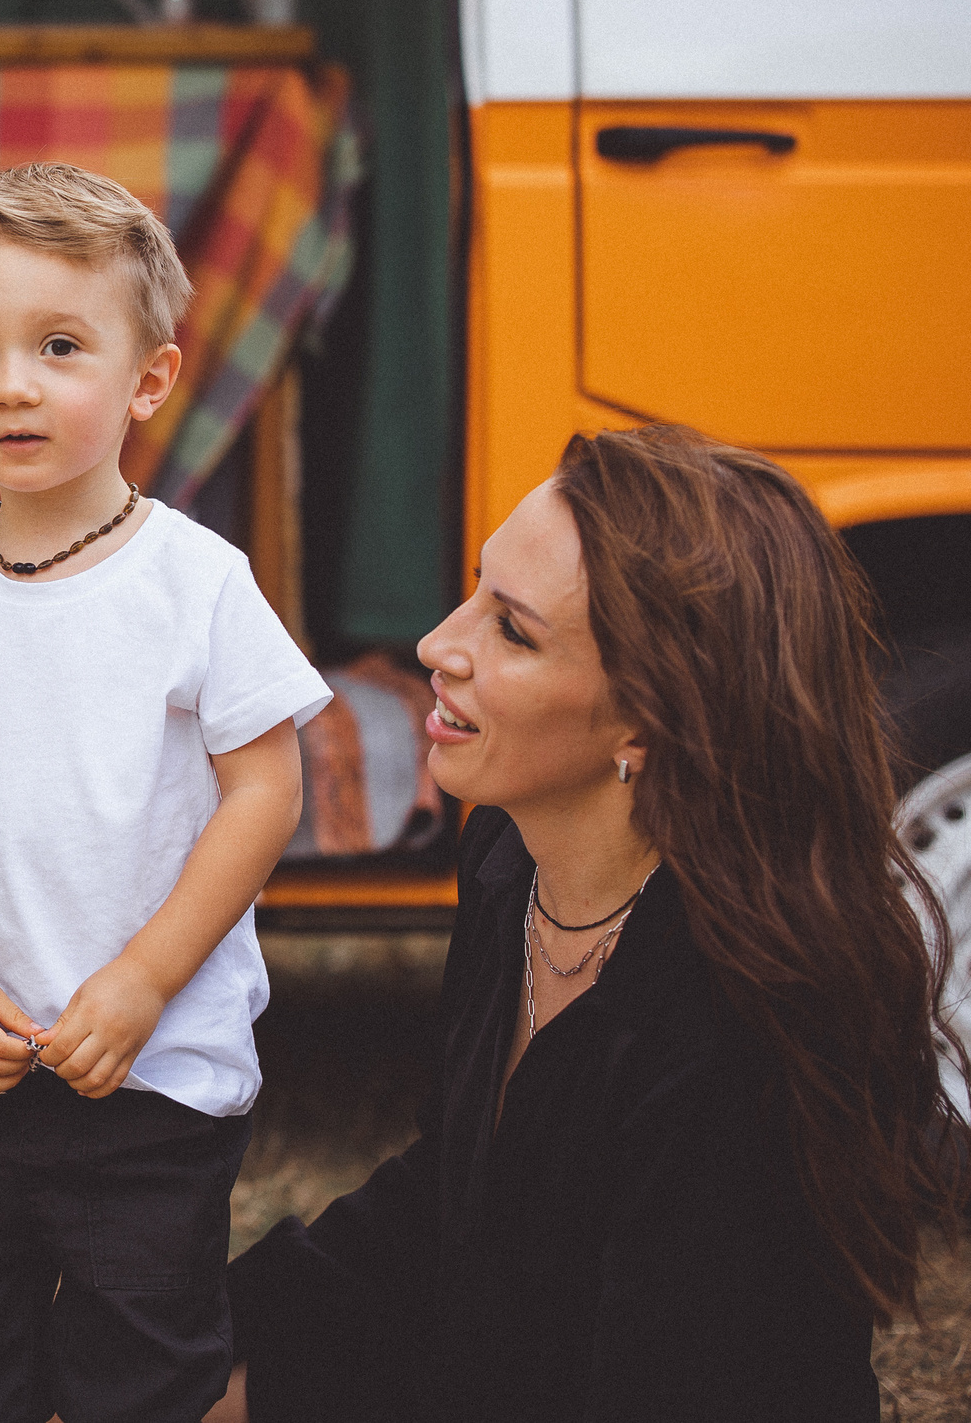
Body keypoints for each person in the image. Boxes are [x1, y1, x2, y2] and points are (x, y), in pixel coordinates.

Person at [209, 425, 969, 1422]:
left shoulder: (735, 1026)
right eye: (476, 590)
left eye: (510, 632)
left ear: (648, 719)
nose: (438, 645)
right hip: (510, 1362)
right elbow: (447, 1199)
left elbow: (666, 1378)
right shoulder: (507, 860)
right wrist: (184, 1341)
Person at [0, 165, 331, 1423]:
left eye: (60, 345)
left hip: (148, 1073)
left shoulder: (196, 581)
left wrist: (148, 978)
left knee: (139, 1368)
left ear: (146, 379)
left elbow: (263, 792)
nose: (14, 382)